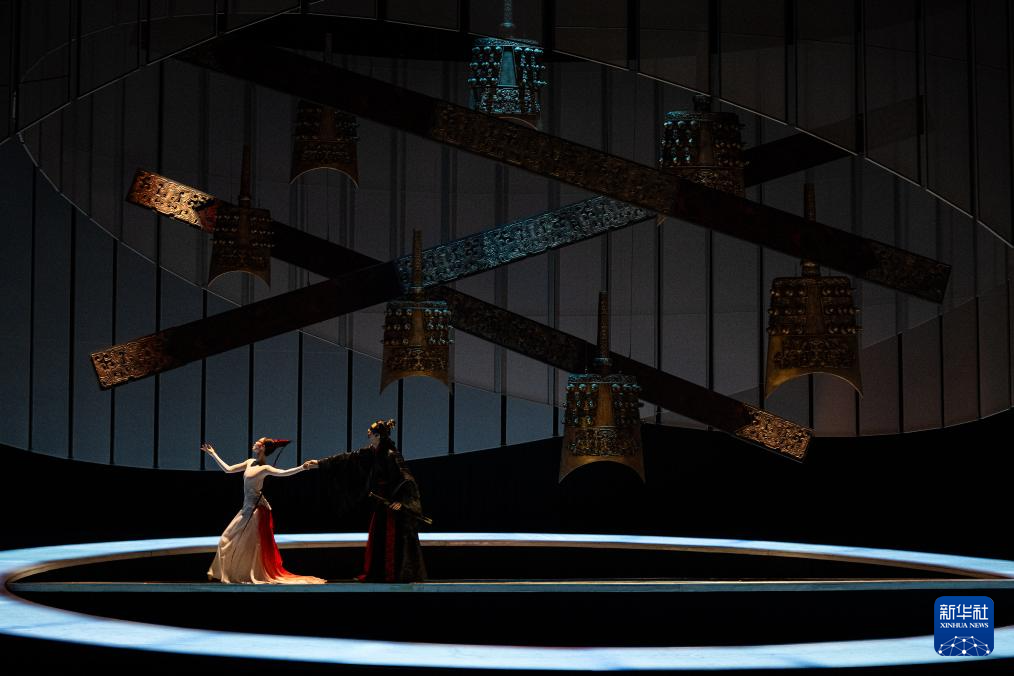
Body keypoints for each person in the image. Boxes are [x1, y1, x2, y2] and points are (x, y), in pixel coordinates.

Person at [306, 419, 426, 582]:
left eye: (371, 432)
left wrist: (400, 501)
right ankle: (377, 573)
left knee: (392, 539)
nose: (368, 434)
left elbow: (406, 478)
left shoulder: (392, 455)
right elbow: (348, 458)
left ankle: (392, 575)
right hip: (381, 503)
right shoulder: (371, 452)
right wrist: (319, 463)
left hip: (392, 504)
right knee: (378, 537)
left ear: (378, 436)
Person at [203, 438, 324, 584]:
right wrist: (213, 454)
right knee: (235, 541)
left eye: (258, 442)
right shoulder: (250, 462)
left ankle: (246, 573)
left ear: (263, 448)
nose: (255, 443)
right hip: (247, 508)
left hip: (256, 510)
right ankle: (240, 573)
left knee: (242, 543)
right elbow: (228, 469)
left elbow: (283, 472)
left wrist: (302, 467)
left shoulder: (265, 468)